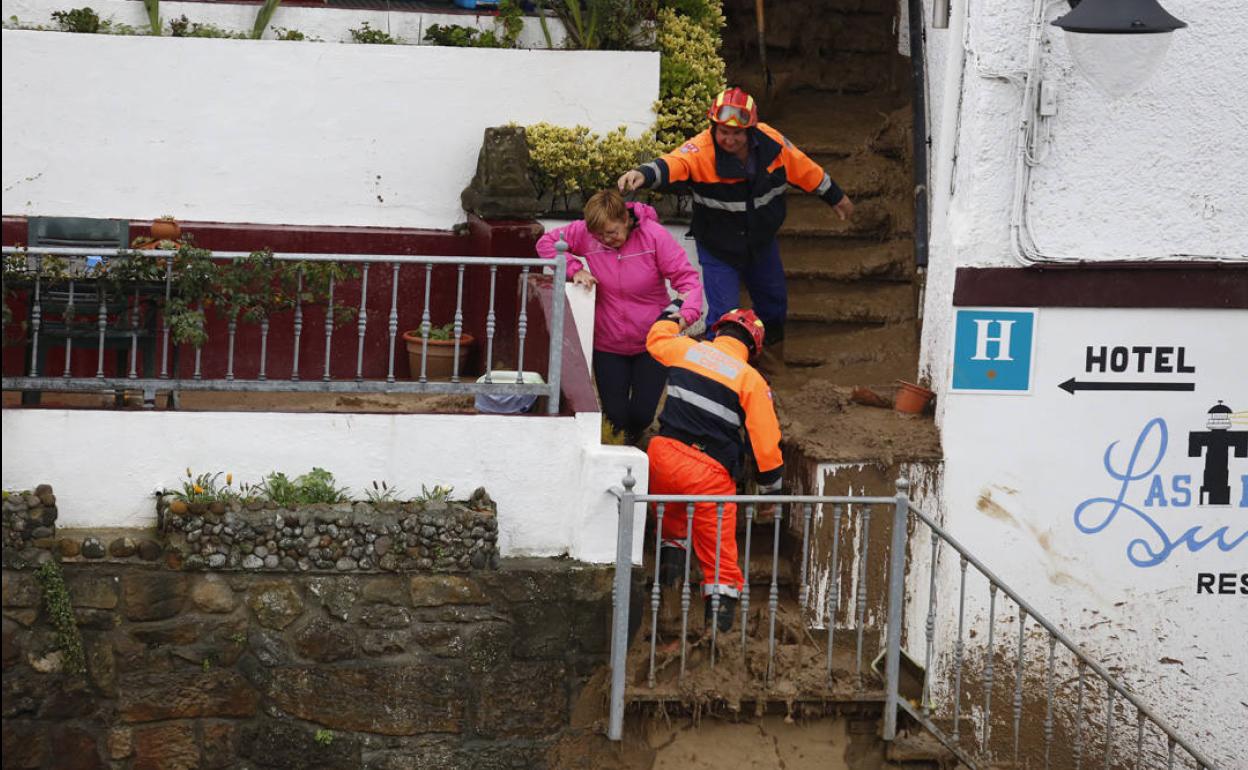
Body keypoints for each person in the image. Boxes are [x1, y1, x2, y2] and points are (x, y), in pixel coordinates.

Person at [618, 87, 854, 371]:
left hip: (761, 241)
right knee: (724, 314)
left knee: (774, 305)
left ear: (751, 130)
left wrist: (836, 196)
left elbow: (805, 169)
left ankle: (770, 365)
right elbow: (673, 163)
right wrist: (642, 174)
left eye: (737, 133)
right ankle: (721, 375)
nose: (729, 139)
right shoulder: (700, 149)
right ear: (713, 128)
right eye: (723, 132)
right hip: (718, 246)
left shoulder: (773, 143)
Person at [645, 305, 784, 633]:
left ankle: (666, 609)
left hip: (662, 458)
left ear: (718, 331)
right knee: (720, 560)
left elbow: (655, 338)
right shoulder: (751, 379)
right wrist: (770, 491)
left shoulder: (686, 349)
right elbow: (765, 445)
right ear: (753, 348)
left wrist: (675, 311)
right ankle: (715, 643)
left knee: (673, 529)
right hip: (708, 474)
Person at [536, 189, 703, 444]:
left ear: (625, 219)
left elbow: (688, 280)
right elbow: (546, 243)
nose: (606, 239)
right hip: (608, 342)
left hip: (652, 341)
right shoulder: (587, 233)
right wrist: (575, 269)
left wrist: (686, 315)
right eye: (599, 235)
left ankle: (636, 447)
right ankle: (621, 456)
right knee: (615, 416)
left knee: (642, 414)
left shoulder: (654, 236)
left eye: (612, 232)